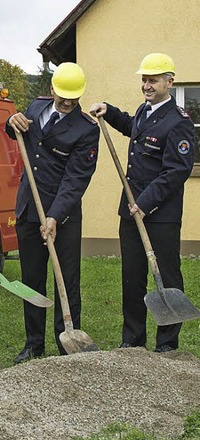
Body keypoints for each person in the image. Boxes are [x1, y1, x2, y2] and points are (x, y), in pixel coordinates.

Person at [90, 53, 195, 352]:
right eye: (144, 79)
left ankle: (167, 344)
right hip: (131, 210)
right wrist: (108, 111)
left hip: (160, 214)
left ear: (169, 82)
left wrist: (145, 202)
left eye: (153, 80)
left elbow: (177, 171)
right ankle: (133, 340)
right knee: (132, 277)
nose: (147, 85)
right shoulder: (144, 111)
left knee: (168, 278)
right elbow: (132, 127)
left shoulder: (179, 122)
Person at [5, 62, 99, 364]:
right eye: (63, 97)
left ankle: (65, 341)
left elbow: (76, 179)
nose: (68, 103)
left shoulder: (85, 130)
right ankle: (34, 343)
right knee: (31, 280)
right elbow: (16, 131)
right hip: (29, 209)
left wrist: (55, 215)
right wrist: (12, 120)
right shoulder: (36, 107)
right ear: (52, 90)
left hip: (64, 216)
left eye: (73, 98)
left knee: (66, 281)